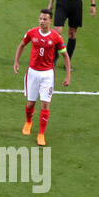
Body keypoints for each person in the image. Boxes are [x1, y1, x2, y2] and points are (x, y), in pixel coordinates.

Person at [12, 9, 72, 147]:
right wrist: (16, 61)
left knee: (45, 104)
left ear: (50, 21)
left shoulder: (56, 37)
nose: (41, 21)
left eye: (45, 19)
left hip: (47, 75)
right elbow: (21, 45)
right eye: (40, 19)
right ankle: (28, 122)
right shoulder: (32, 33)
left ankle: (41, 134)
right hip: (32, 73)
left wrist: (68, 76)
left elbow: (65, 56)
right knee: (31, 103)